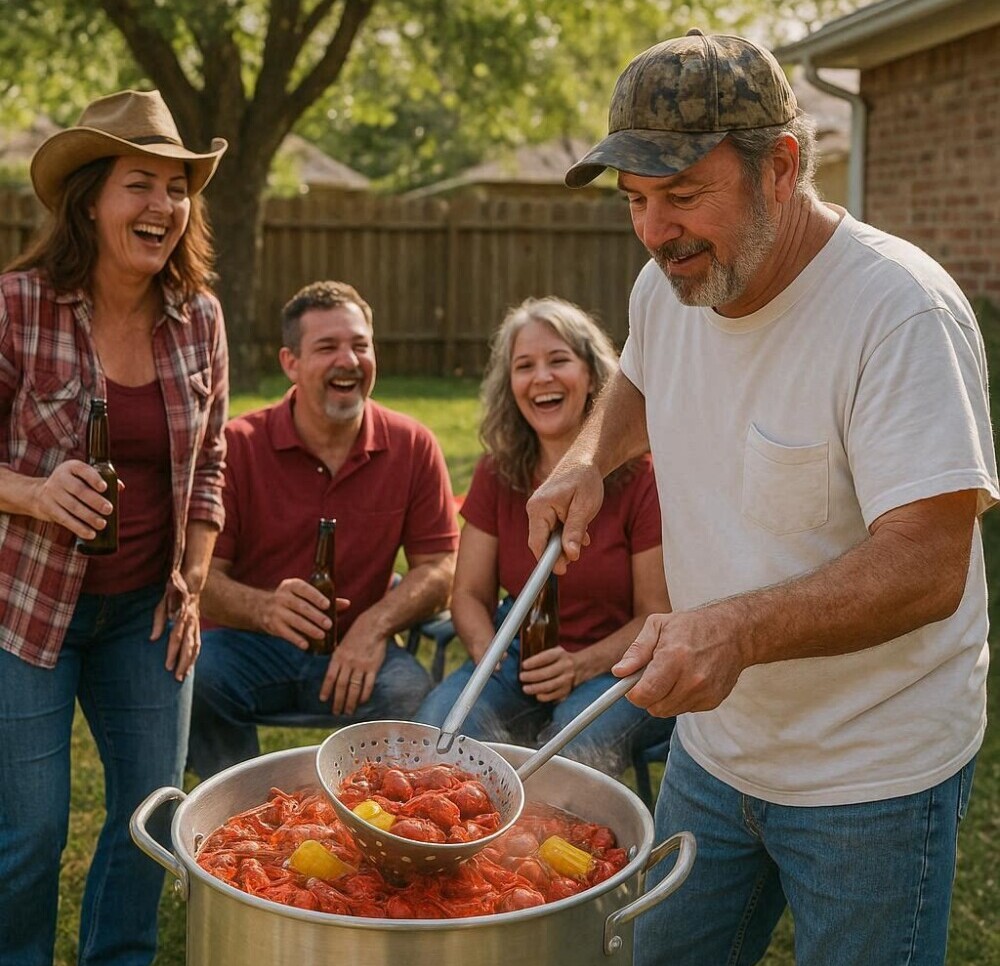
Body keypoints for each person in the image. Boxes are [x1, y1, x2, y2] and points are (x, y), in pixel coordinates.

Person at [525, 29, 997, 966]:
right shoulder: (671, 284)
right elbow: (640, 382)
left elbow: (930, 566)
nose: (655, 231)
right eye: (635, 200)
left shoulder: (899, 311)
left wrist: (734, 632)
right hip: (715, 749)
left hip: (871, 773)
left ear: (780, 168)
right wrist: (586, 458)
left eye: (682, 194)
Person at [0, 90, 228, 965]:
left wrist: (193, 580)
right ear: (90, 199)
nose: (163, 206)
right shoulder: (19, 306)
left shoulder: (199, 319)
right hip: (28, 614)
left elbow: (210, 465)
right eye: (141, 184)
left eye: (177, 189)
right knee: (30, 831)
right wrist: (34, 493)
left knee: (151, 820)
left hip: (147, 615)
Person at [187, 280, 459, 779]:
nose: (348, 360)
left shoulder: (412, 444)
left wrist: (374, 627)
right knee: (198, 678)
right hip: (250, 644)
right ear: (290, 362)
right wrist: (265, 609)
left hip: (360, 645)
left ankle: (370, 814)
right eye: (327, 347)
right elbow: (200, 579)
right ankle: (237, 805)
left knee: (410, 695)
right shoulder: (237, 445)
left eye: (360, 345)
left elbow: (442, 568)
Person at [416, 297, 673, 777]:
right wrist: (488, 656)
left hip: (618, 662)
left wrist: (580, 666)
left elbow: (655, 613)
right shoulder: (497, 472)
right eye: (524, 366)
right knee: (436, 739)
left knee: (566, 765)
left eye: (558, 360)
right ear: (509, 385)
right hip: (513, 655)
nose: (541, 377)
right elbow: (467, 593)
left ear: (594, 377)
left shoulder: (642, 478)